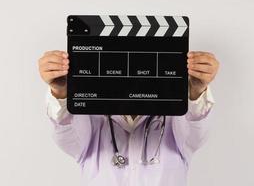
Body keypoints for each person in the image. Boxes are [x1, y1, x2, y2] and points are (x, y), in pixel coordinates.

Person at [38, 50, 219, 186]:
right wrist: (61, 91)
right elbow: (65, 128)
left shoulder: (174, 120)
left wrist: (196, 90)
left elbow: (196, 124)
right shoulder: (93, 121)